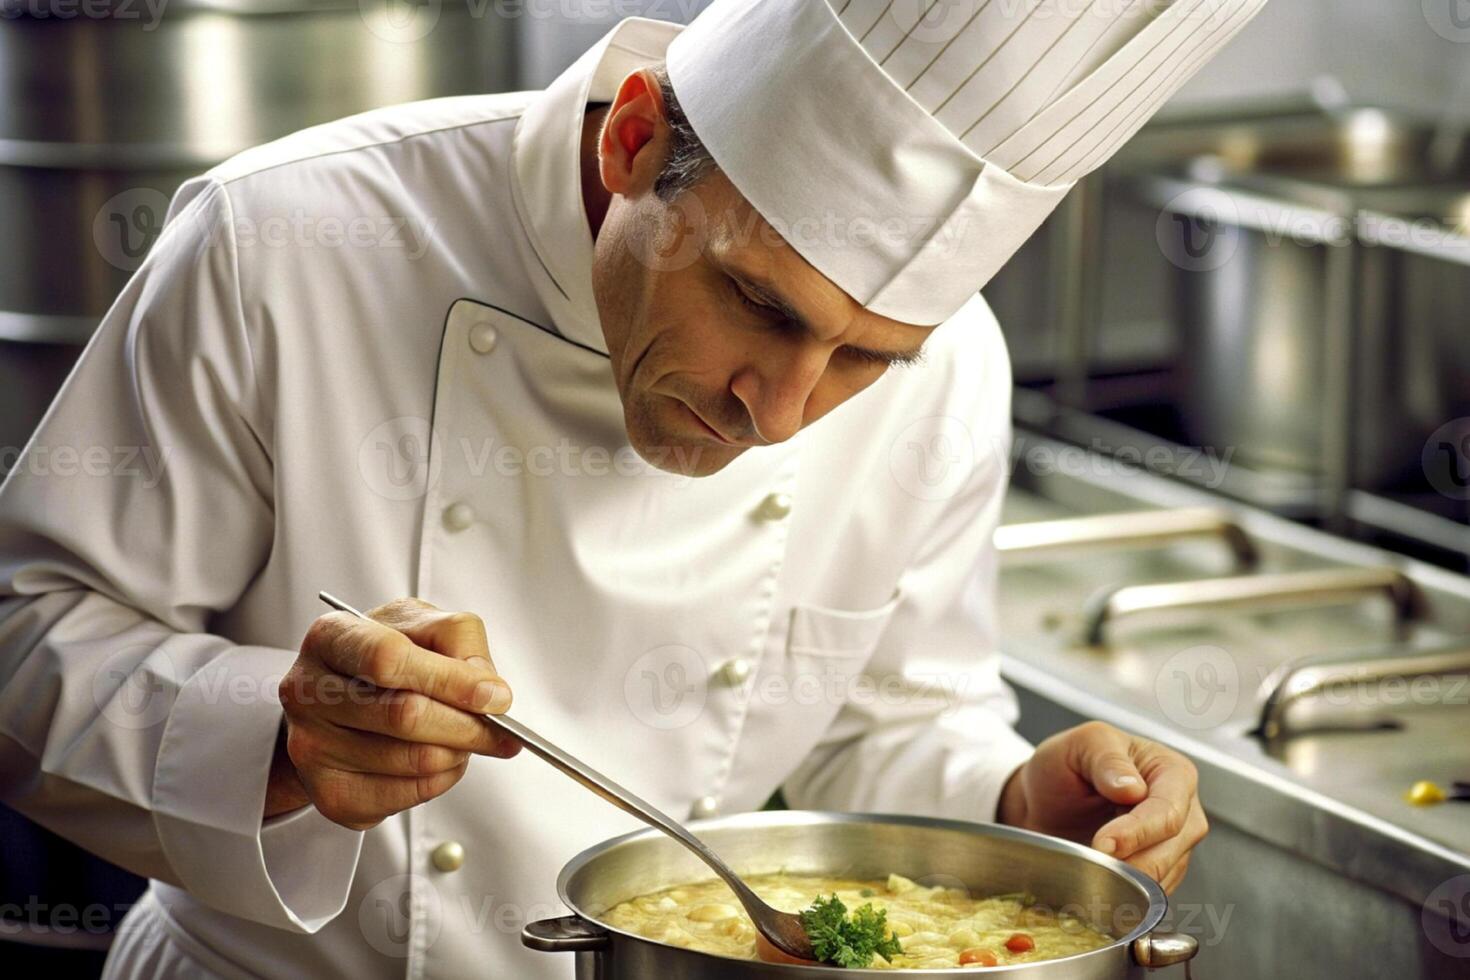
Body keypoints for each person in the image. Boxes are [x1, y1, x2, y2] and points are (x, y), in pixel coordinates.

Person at [0, 1, 1268, 976]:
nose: (778, 413)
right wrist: (276, 738)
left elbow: (883, 721)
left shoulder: (953, 367)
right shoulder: (277, 242)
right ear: (633, 140)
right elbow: (21, 644)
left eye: (865, 361)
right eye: (758, 305)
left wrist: (1011, 801)